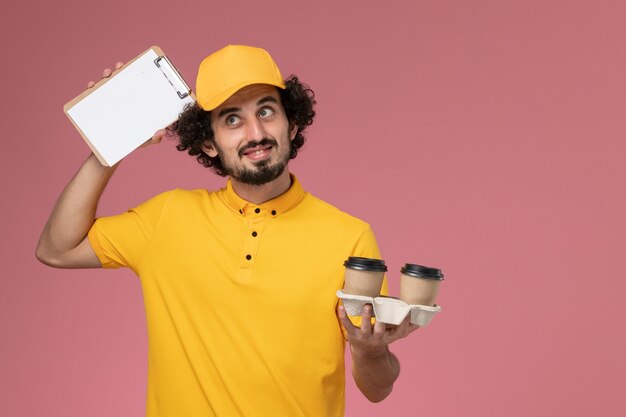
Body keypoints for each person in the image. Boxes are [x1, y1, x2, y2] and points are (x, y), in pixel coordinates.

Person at [36, 45, 418, 417]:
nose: (255, 133)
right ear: (209, 143)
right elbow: (57, 249)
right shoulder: (168, 217)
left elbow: (376, 389)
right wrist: (111, 145)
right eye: (232, 119)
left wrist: (371, 353)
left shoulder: (349, 237)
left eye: (266, 111)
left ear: (292, 123)